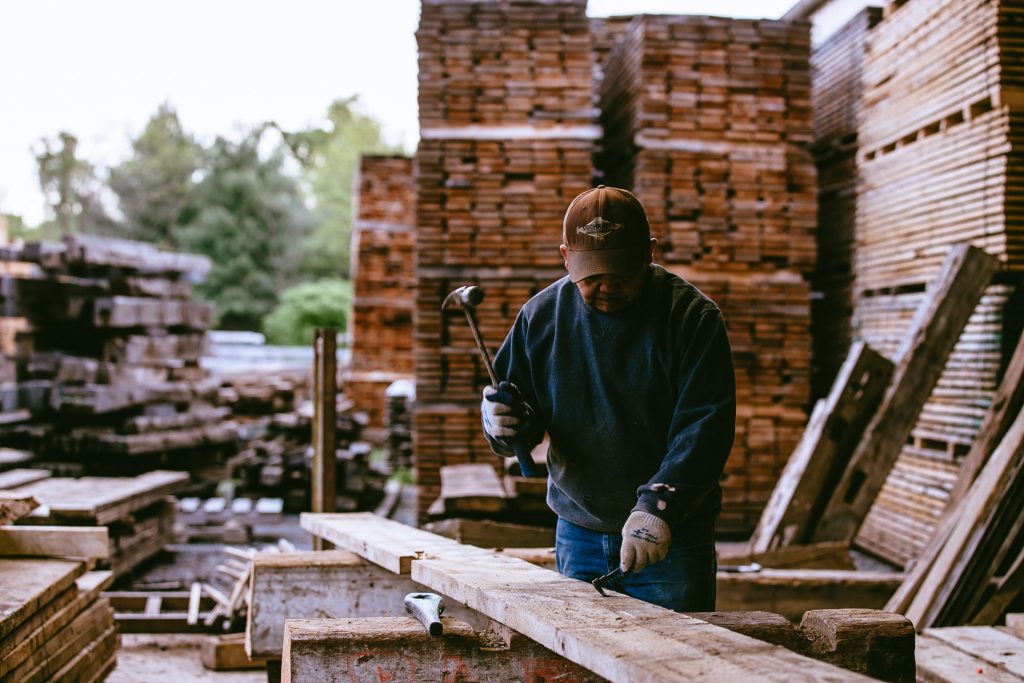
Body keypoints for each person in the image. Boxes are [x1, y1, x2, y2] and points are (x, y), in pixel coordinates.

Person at [480, 185, 736, 611]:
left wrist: (659, 506)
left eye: (621, 272)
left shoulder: (691, 318)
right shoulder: (540, 317)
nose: (607, 287)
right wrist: (502, 425)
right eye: (592, 275)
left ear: (650, 252)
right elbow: (516, 417)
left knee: (677, 664)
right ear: (566, 257)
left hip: (672, 534)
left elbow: (704, 427)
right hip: (577, 529)